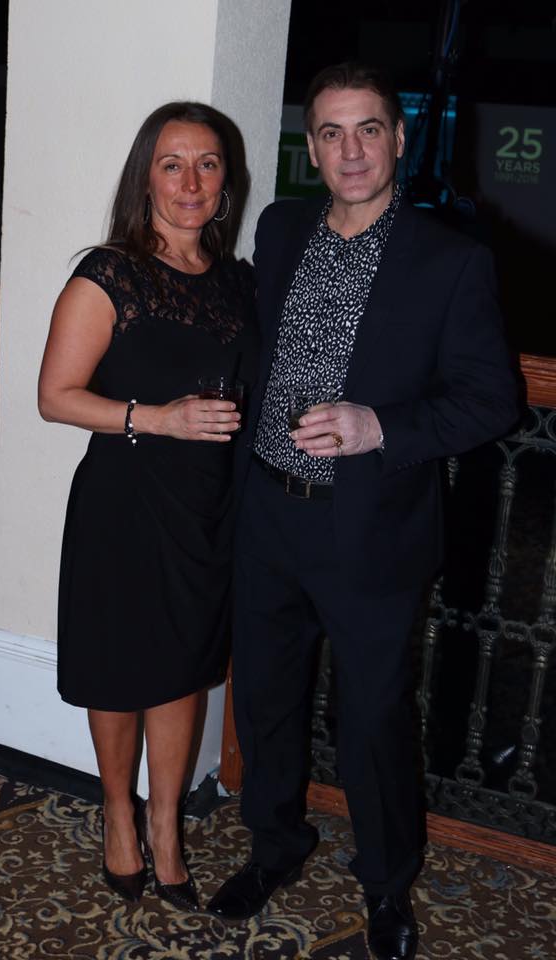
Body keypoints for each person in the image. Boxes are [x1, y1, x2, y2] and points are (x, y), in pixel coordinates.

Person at [206, 63, 518, 959]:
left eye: (369, 129)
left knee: (374, 718)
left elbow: (492, 399)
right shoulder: (281, 227)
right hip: (268, 514)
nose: (351, 151)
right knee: (267, 701)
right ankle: (275, 846)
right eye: (333, 133)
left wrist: (381, 425)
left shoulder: (452, 260)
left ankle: (386, 882)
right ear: (312, 147)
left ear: (399, 139)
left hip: (370, 529)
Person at [38, 101, 257, 913]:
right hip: (125, 502)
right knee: (121, 666)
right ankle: (119, 817)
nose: (191, 182)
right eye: (173, 164)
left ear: (226, 181)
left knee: (182, 669)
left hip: (207, 506)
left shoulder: (237, 282)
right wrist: (157, 418)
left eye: (207, 164)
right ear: (146, 178)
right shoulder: (109, 274)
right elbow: (55, 396)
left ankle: (167, 826)